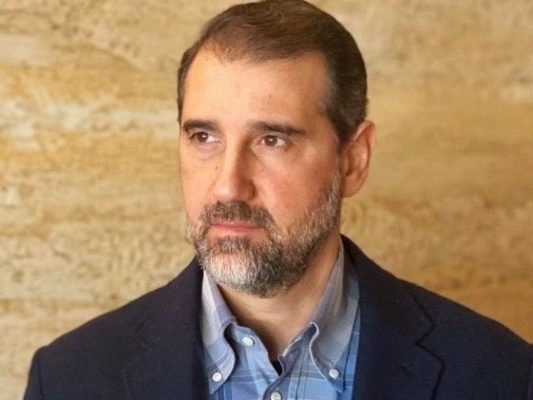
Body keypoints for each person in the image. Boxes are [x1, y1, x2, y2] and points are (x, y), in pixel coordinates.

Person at [24, 0, 531, 399]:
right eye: (204, 137)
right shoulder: (69, 380)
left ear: (353, 160)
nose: (228, 186)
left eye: (273, 140)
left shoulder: (501, 377)